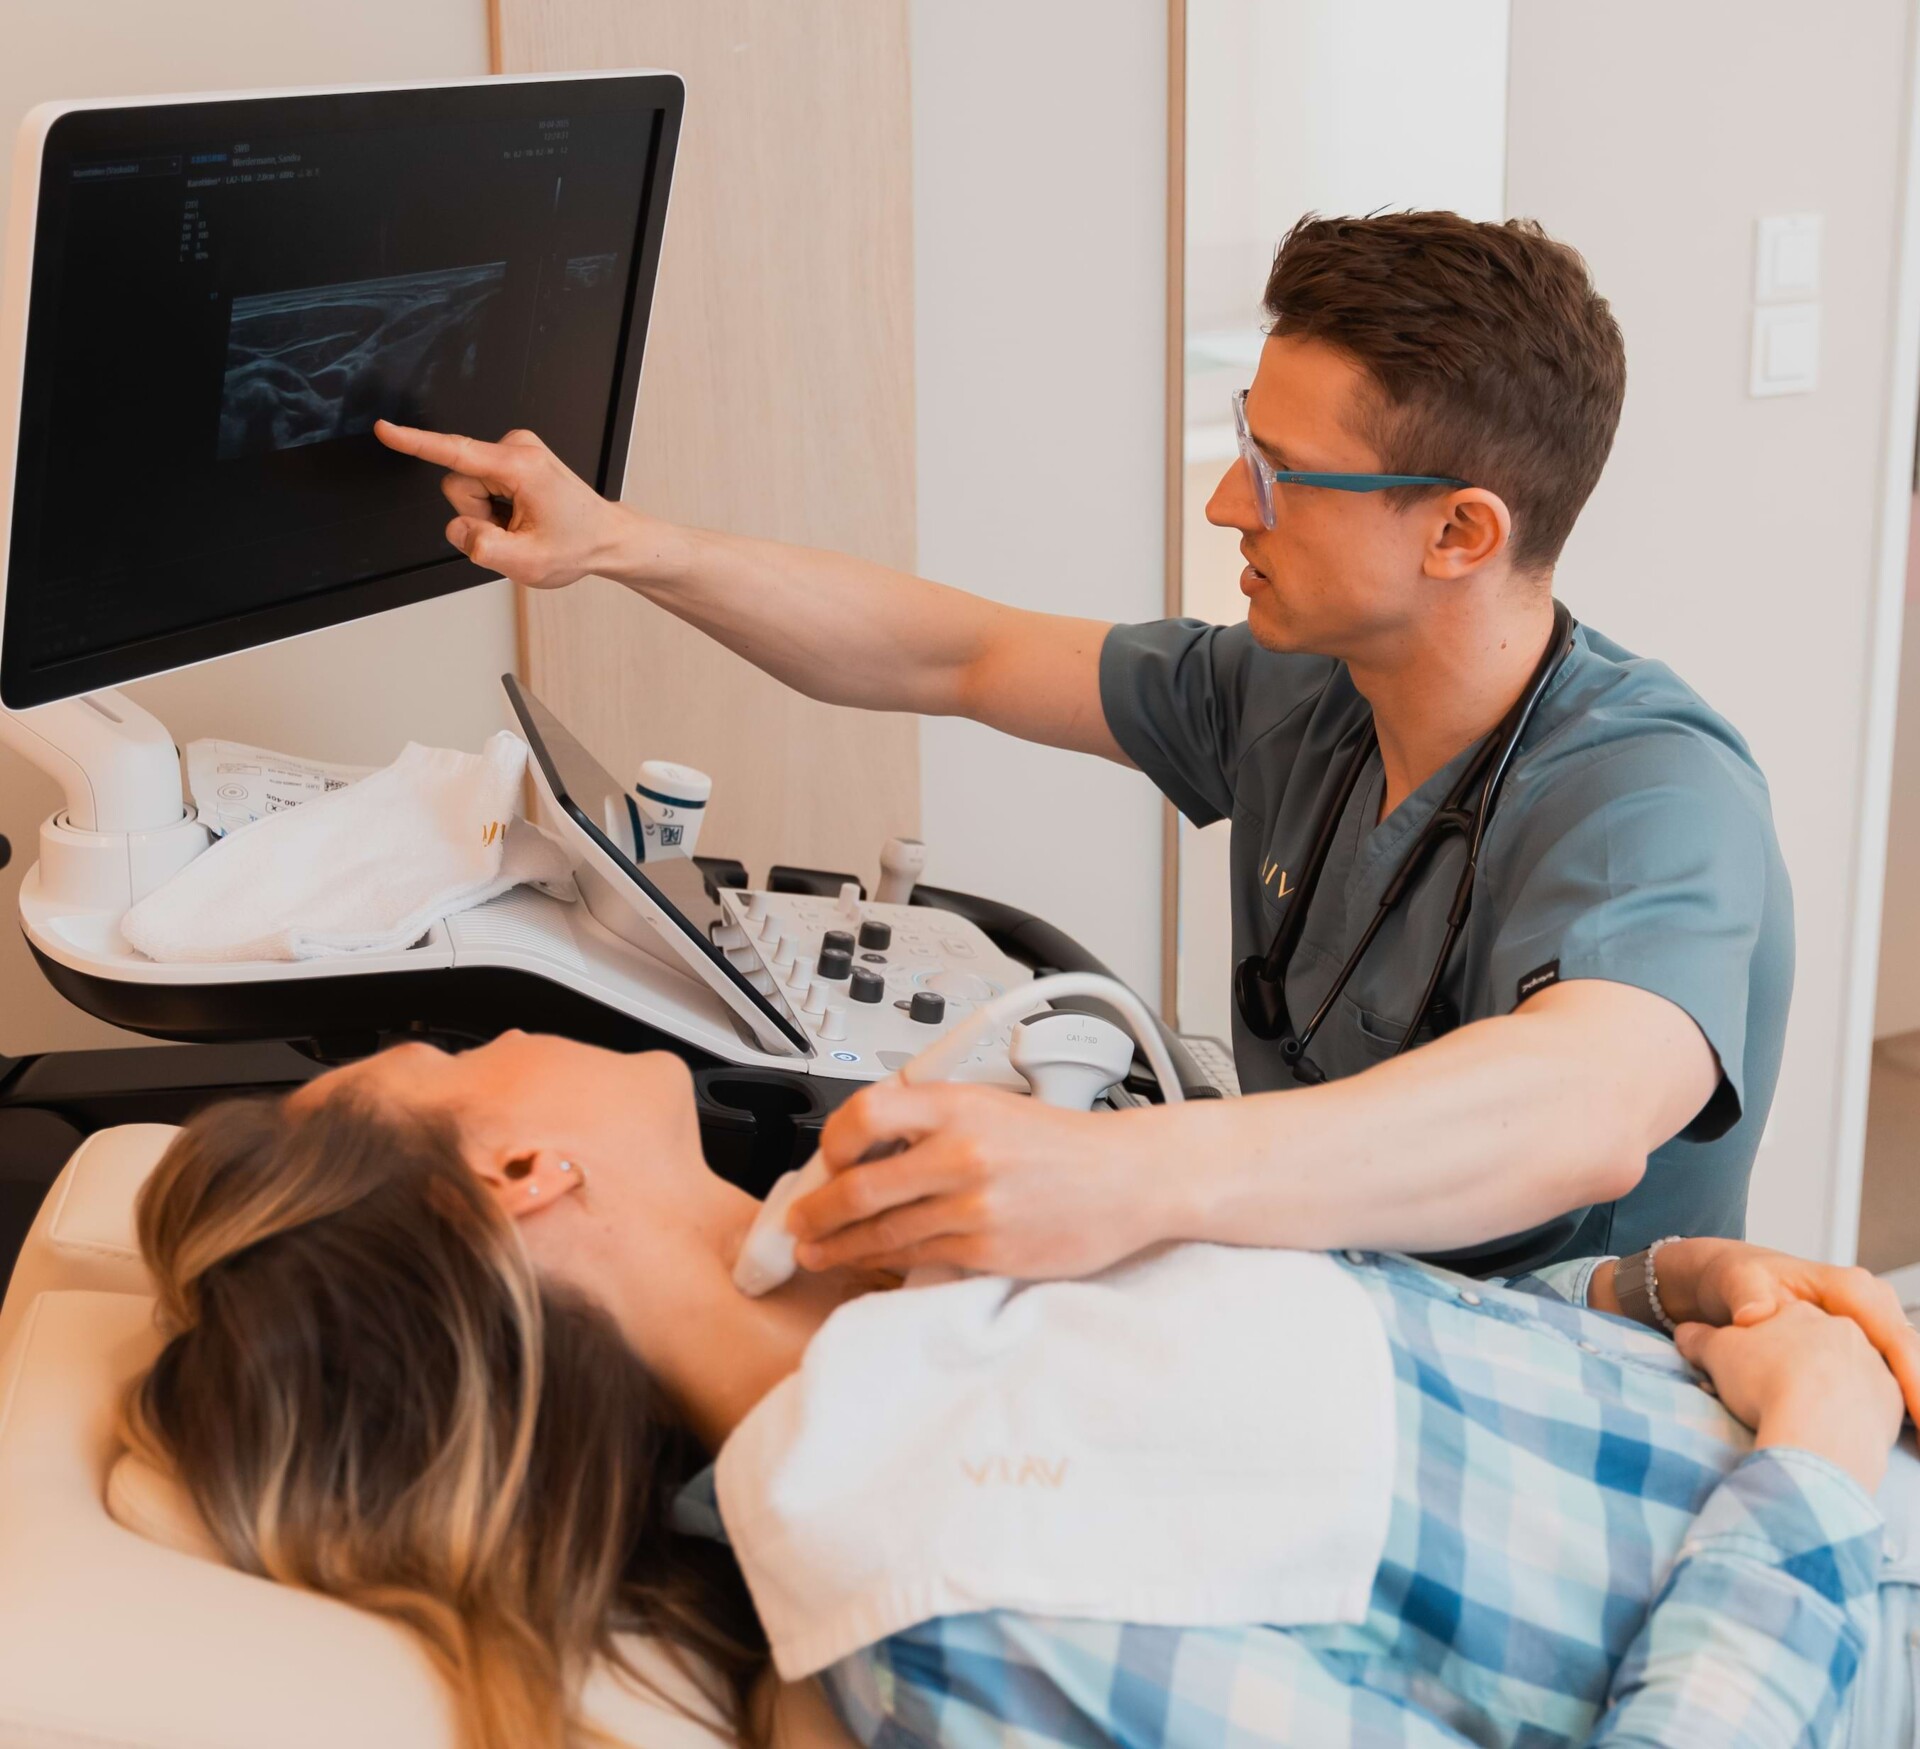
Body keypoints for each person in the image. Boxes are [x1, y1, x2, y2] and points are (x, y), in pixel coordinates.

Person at [373, 210, 1789, 1283]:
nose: (1234, 500)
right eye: (1247, 438)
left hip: (1538, 1400)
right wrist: (622, 542)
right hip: (1300, 1311)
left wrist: (1131, 1171)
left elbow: (1588, 1104)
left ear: (1461, 530)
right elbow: (957, 652)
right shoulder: (1302, 692)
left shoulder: (1651, 793)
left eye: (1285, 473)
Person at [130, 1032, 1920, 1749]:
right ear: (514, 1168)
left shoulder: (929, 1289)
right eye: (444, 1049)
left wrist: (1653, 1291)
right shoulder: (944, 1591)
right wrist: (1816, 1455)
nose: (484, 1024)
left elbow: (1371, 1415)